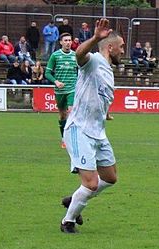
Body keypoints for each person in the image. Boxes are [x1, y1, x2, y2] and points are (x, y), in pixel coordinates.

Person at [59, 18, 125, 234]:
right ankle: (67, 222)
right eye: (121, 47)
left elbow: (99, 96)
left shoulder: (108, 71)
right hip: (79, 130)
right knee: (91, 184)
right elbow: (79, 55)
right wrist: (96, 37)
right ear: (110, 47)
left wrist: (105, 112)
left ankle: (75, 199)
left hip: (98, 132)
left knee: (110, 178)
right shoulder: (94, 60)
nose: (123, 51)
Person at [46, 34, 79, 147]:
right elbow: (47, 73)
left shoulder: (75, 55)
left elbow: (81, 71)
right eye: (65, 40)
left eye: (69, 40)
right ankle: (64, 138)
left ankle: (73, 138)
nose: (68, 42)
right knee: (62, 115)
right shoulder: (55, 55)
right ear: (61, 42)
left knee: (71, 112)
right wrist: (56, 82)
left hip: (72, 89)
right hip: (59, 91)